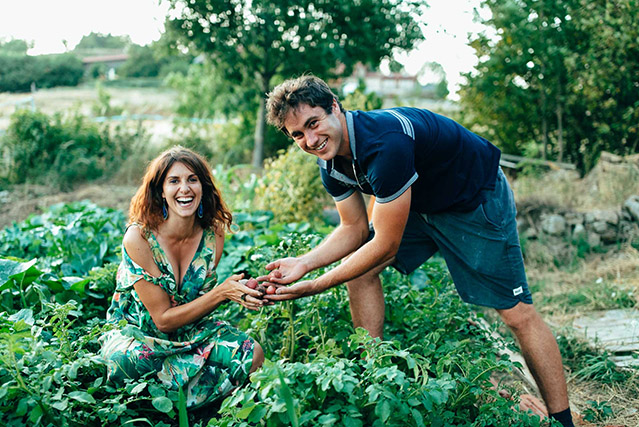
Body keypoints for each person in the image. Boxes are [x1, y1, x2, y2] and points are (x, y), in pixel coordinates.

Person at [260, 75, 574, 427]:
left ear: (334, 106)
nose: (310, 140)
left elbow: (385, 245)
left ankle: (563, 421)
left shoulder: (385, 142)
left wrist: (315, 285)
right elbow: (353, 229)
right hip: (419, 204)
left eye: (313, 123)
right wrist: (304, 263)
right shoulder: (329, 162)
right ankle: (374, 379)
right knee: (359, 270)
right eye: (298, 135)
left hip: (472, 200)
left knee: (516, 314)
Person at [100, 146, 265, 409]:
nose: (185, 189)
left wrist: (240, 290)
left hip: (191, 331)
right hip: (140, 335)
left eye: (192, 179)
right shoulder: (139, 238)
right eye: (174, 181)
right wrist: (221, 293)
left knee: (252, 353)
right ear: (161, 191)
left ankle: (177, 403)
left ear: (203, 187)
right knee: (127, 361)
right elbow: (163, 320)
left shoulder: (213, 234)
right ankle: (188, 401)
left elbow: (198, 303)